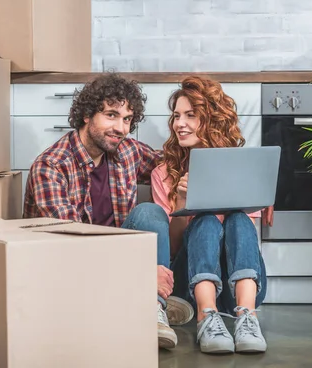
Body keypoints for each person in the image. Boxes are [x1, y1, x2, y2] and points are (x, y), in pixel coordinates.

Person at [23, 72, 194, 349]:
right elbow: (72, 244)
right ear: (87, 115)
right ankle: (144, 299)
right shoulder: (51, 167)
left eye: (127, 119)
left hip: (116, 267)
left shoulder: (126, 152)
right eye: (111, 115)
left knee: (149, 212)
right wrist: (141, 271)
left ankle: (154, 310)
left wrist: (241, 186)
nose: (121, 128)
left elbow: (176, 164)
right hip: (70, 271)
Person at [151, 76, 274, 354]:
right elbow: (171, 248)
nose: (179, 124)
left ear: (212, 120)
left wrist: (263, 193)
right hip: (190, 286)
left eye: (190, 116)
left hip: (241, 285)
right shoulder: (164, 173)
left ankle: (247, 317)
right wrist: (184, 203)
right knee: (205, 220)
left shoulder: (242, 167)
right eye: (176, 116)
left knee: (239, 219)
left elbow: (245, 241)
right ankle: (207, 317)